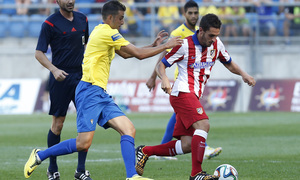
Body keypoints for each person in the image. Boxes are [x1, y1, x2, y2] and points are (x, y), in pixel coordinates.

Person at [24, 1, 183, 180]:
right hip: (89, 91)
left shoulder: (104, 31)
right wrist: (165, 46)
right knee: (83, 143)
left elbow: (127, 53)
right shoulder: (107, 32)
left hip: (99, 93)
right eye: (121, 18)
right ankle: (40, 155)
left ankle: (132, 176)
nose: (123, 22)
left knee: (128, 129)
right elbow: (137, 54)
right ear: (110, 18)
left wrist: (153, 45)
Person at [136, 13, 256, 180]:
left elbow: (229, 63)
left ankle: (145, 151)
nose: (214, 39)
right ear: (201, 31)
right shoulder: (185, 45)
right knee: (204, 125)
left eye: (216, 35)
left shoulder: (216, 44)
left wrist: (244, 74)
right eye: (211, 35)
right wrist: (163, 79)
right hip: (182, 93)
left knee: (186, 145)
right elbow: (161, 66)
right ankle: (196, 174)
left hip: (192, 96)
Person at [146, 0, 222, 161]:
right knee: (199, 122)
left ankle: (157, 149)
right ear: (184, 14)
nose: (193, 16)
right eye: (190, 13)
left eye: (196, 13)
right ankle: (203, 147)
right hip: (181, 81)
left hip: (195, 84)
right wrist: (154, 76)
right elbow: (164, 55)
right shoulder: (178, 33)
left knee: (180, 118)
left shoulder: (202, 31)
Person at [31, 0, 90, 179]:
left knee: (86, 124)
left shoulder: (83, 19)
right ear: (57, 1)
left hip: (81, 77)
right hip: (60, 77)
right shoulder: (49, 23)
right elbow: (39, 53)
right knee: (58, 124)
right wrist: (54, 69)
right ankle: (52, 168)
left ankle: (80, 170)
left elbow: (86, 45)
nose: (70, 1)